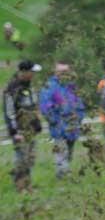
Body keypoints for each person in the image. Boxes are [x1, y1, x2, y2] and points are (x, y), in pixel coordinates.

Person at [39, 62, 86, 178]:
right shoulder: (49, 86)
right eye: (61, 71)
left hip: (72, 125)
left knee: (69, 152)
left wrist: (79, 118)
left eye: (65, 71)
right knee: (61, 151)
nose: (63, 74)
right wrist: (53, 120)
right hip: (58, 125)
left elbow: (79, 103)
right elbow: (45, 106)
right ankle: (64, 175)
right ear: (55, 72)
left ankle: (63, 173)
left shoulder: (71, 87)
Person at [3, 59, 42, 192]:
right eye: (32, 72)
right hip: (20, 129)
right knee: (21, 159)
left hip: (31, 128)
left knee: (30, 158)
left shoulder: (30, 86)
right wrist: (14, 132)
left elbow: (33, 105)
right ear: (24, 72)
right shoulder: (12, 88)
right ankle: (20, 187)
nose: (34, 74)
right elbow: (9, 112)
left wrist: (37, 122)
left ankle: (28, 185)